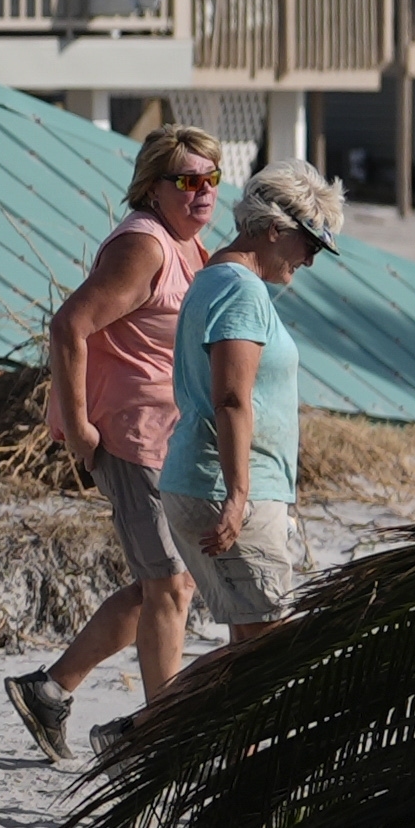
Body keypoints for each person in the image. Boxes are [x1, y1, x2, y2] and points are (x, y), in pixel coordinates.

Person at [5, 123, 217, 761]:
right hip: (129, 436)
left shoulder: (190, 244)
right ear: (154, 187)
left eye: (211, 179)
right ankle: (163, 737)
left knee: (169, 583)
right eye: (187, 180)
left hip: (170, 441)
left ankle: (51, 689)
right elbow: (69, 324)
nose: (202, 192)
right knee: (170, 588)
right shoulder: (145, 245)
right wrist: (79, 428)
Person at [163, 158, 345, 641]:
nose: (310, 259)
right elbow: (230, 399)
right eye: (310, 244)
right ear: (271, 228)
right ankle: (141, 723)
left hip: (210, 483)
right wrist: (238, 497)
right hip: (232, 490)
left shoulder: (215, 276)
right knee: (264, 653)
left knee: (251, 652)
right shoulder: (242, 290)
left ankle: (144, 722)